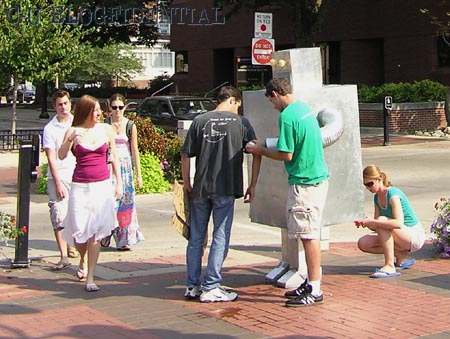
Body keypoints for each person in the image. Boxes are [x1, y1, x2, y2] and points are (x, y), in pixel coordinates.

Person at [246, 78, 329, 307]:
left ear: (275, 93)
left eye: (271, 101)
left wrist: (261, 149)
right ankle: (311, 282)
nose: (273, 106)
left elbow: (286, 154)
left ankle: (315, 288)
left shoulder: (288, 116)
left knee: (309, 236)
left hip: (304, 182)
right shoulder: (303, 108)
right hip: (316, 177)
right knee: (307, 234)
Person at [181, 86, 261, 303]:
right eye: (238, 105)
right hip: (225, 186)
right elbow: (256, 151)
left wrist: (187, 181)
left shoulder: (200, 121)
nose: (238, 109)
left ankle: (192, 285)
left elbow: (186, 154)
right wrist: (253, 184)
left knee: (196, 236)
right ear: (233, 101)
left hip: (200, 187)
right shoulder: (241, 123)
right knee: (220, 235)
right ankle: (211, 285)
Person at [58, 95, 123, 292]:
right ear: (85, 111)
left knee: (94, 232)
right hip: (80, 185)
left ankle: (91, 277)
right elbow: (61, 155)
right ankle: (83, 258)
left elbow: (114, 158)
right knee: (79, 231)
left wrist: (118, 183)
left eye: (98, 110)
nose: (98, 114)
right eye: (94, 110)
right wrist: (69, 140)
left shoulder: (106, 129)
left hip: (101, 185)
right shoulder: (74, 130)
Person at [355, 165, 426, 278]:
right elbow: (376, 227)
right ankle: (399, 254)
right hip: (400, 235)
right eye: (366, 185)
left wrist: (375, 221)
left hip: (413, 236)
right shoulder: (377, 197)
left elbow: (398, 223)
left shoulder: (393, 194)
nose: (368, 188)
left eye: (370, 184)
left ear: (379, 179)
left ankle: (390, 266)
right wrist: (367, 223)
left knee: (382, 220)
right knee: (363, 243)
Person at [42, 90, 78, 271]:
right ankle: (63, 255)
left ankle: (72, 246)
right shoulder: (50, 128)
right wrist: (56, 182)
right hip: (59, 175)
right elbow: (51, 157)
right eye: (59, 104)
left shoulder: (78, 123)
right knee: (58, 213)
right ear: (54, 106)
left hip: (78, 174)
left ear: (70, 104)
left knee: (75, 214)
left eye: (65, 103)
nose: (63, 107)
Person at [104, 93, 144, 251]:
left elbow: (135, 151)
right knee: (109, 202)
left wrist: (138, 175)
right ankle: (107, 230)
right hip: (109, 167)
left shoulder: (130, 125)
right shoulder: (106, 124)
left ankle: (124, 238)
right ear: (110, 108)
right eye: (114, 107)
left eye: (120, 107)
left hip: (125, 167)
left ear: (125, 107)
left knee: (125, 204)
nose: (117, 110)